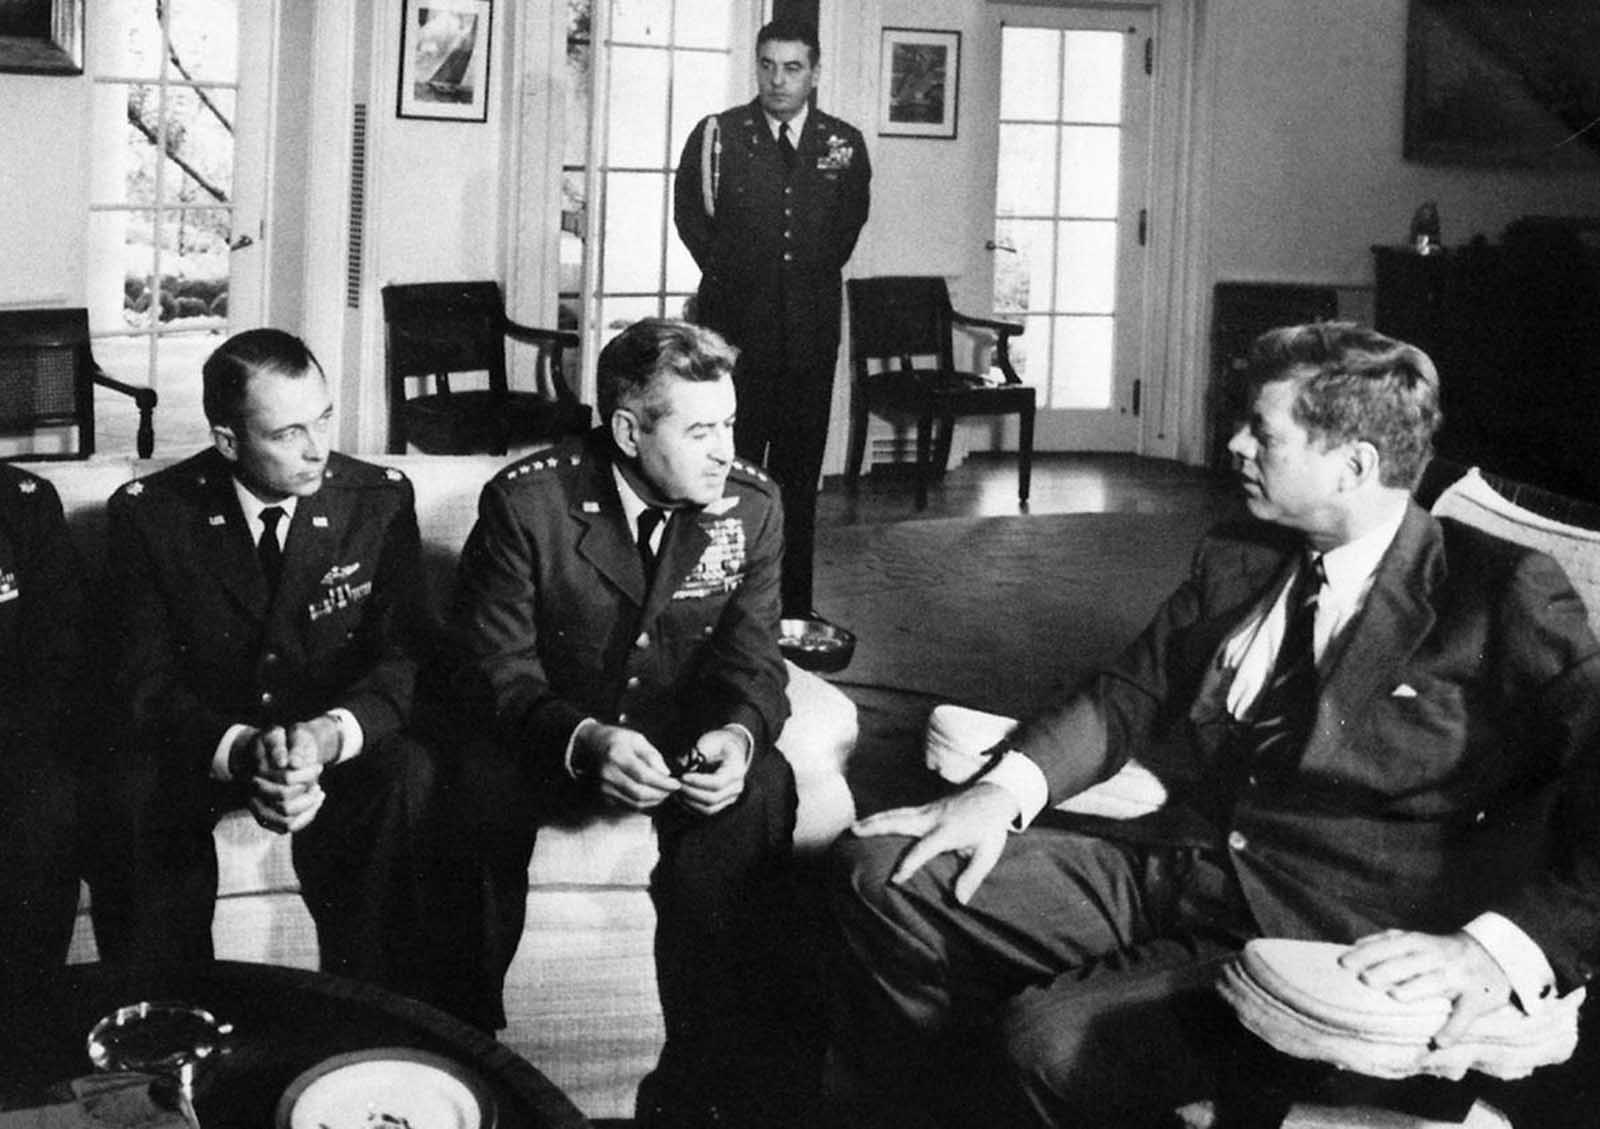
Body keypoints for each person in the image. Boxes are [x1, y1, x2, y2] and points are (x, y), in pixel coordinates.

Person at [827, 322, 1600, 1128]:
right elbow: (1127, 691)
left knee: (1049, 1044)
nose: (1232, 445)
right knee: (882, 873)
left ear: (1355, 464)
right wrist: (998, 793)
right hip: (1173, 866)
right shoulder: (1242, 551)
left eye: (1262, 433)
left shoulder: (1495, 590)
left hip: (1318, 938)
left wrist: (1501, 947)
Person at [447, 318, 819, 1128]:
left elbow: (754, 662)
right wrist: (581, 740)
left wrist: (736, 736)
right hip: (551, 733)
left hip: (678, 740)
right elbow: (496, 673)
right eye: (699, 431)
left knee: (763, 785)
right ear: (626, 430)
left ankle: (701, 1078)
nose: (724, 449)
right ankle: (465, 1050)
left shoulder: (751, 506)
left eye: (728, 424)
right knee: (471, 779)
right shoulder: (528, 502)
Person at [90, 328, 439, 1003]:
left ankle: (375, 1018)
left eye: (325, 418)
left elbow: (406, 656)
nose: (318, 449)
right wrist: (242, 748)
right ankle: (171, 1027)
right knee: (132, 791)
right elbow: (143, 680)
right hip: (209, 742)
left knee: (409, 773)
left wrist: (331, 735)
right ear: (228, 441)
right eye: (288, 433)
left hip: (328, 740)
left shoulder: (378, 499)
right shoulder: (152, 515)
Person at [674, 18, 871, 620]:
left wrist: (796, 284)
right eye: (767, 65)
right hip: (734, 340)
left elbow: (844, 231)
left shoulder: (843, 144)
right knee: (724, 477)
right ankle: (714, 612)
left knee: (796, 483)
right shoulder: (718, 136)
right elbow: (691, 218)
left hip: (810, 340)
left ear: (814, 72)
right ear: (755, 66)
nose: (778, 80)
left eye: (792, 68)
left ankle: (792, 613)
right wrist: (738, 277)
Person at [0, 465, 87, 1004]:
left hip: (9, 738)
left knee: (42, 803)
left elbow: (59, 657)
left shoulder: (23, 502)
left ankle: (24, 1038)